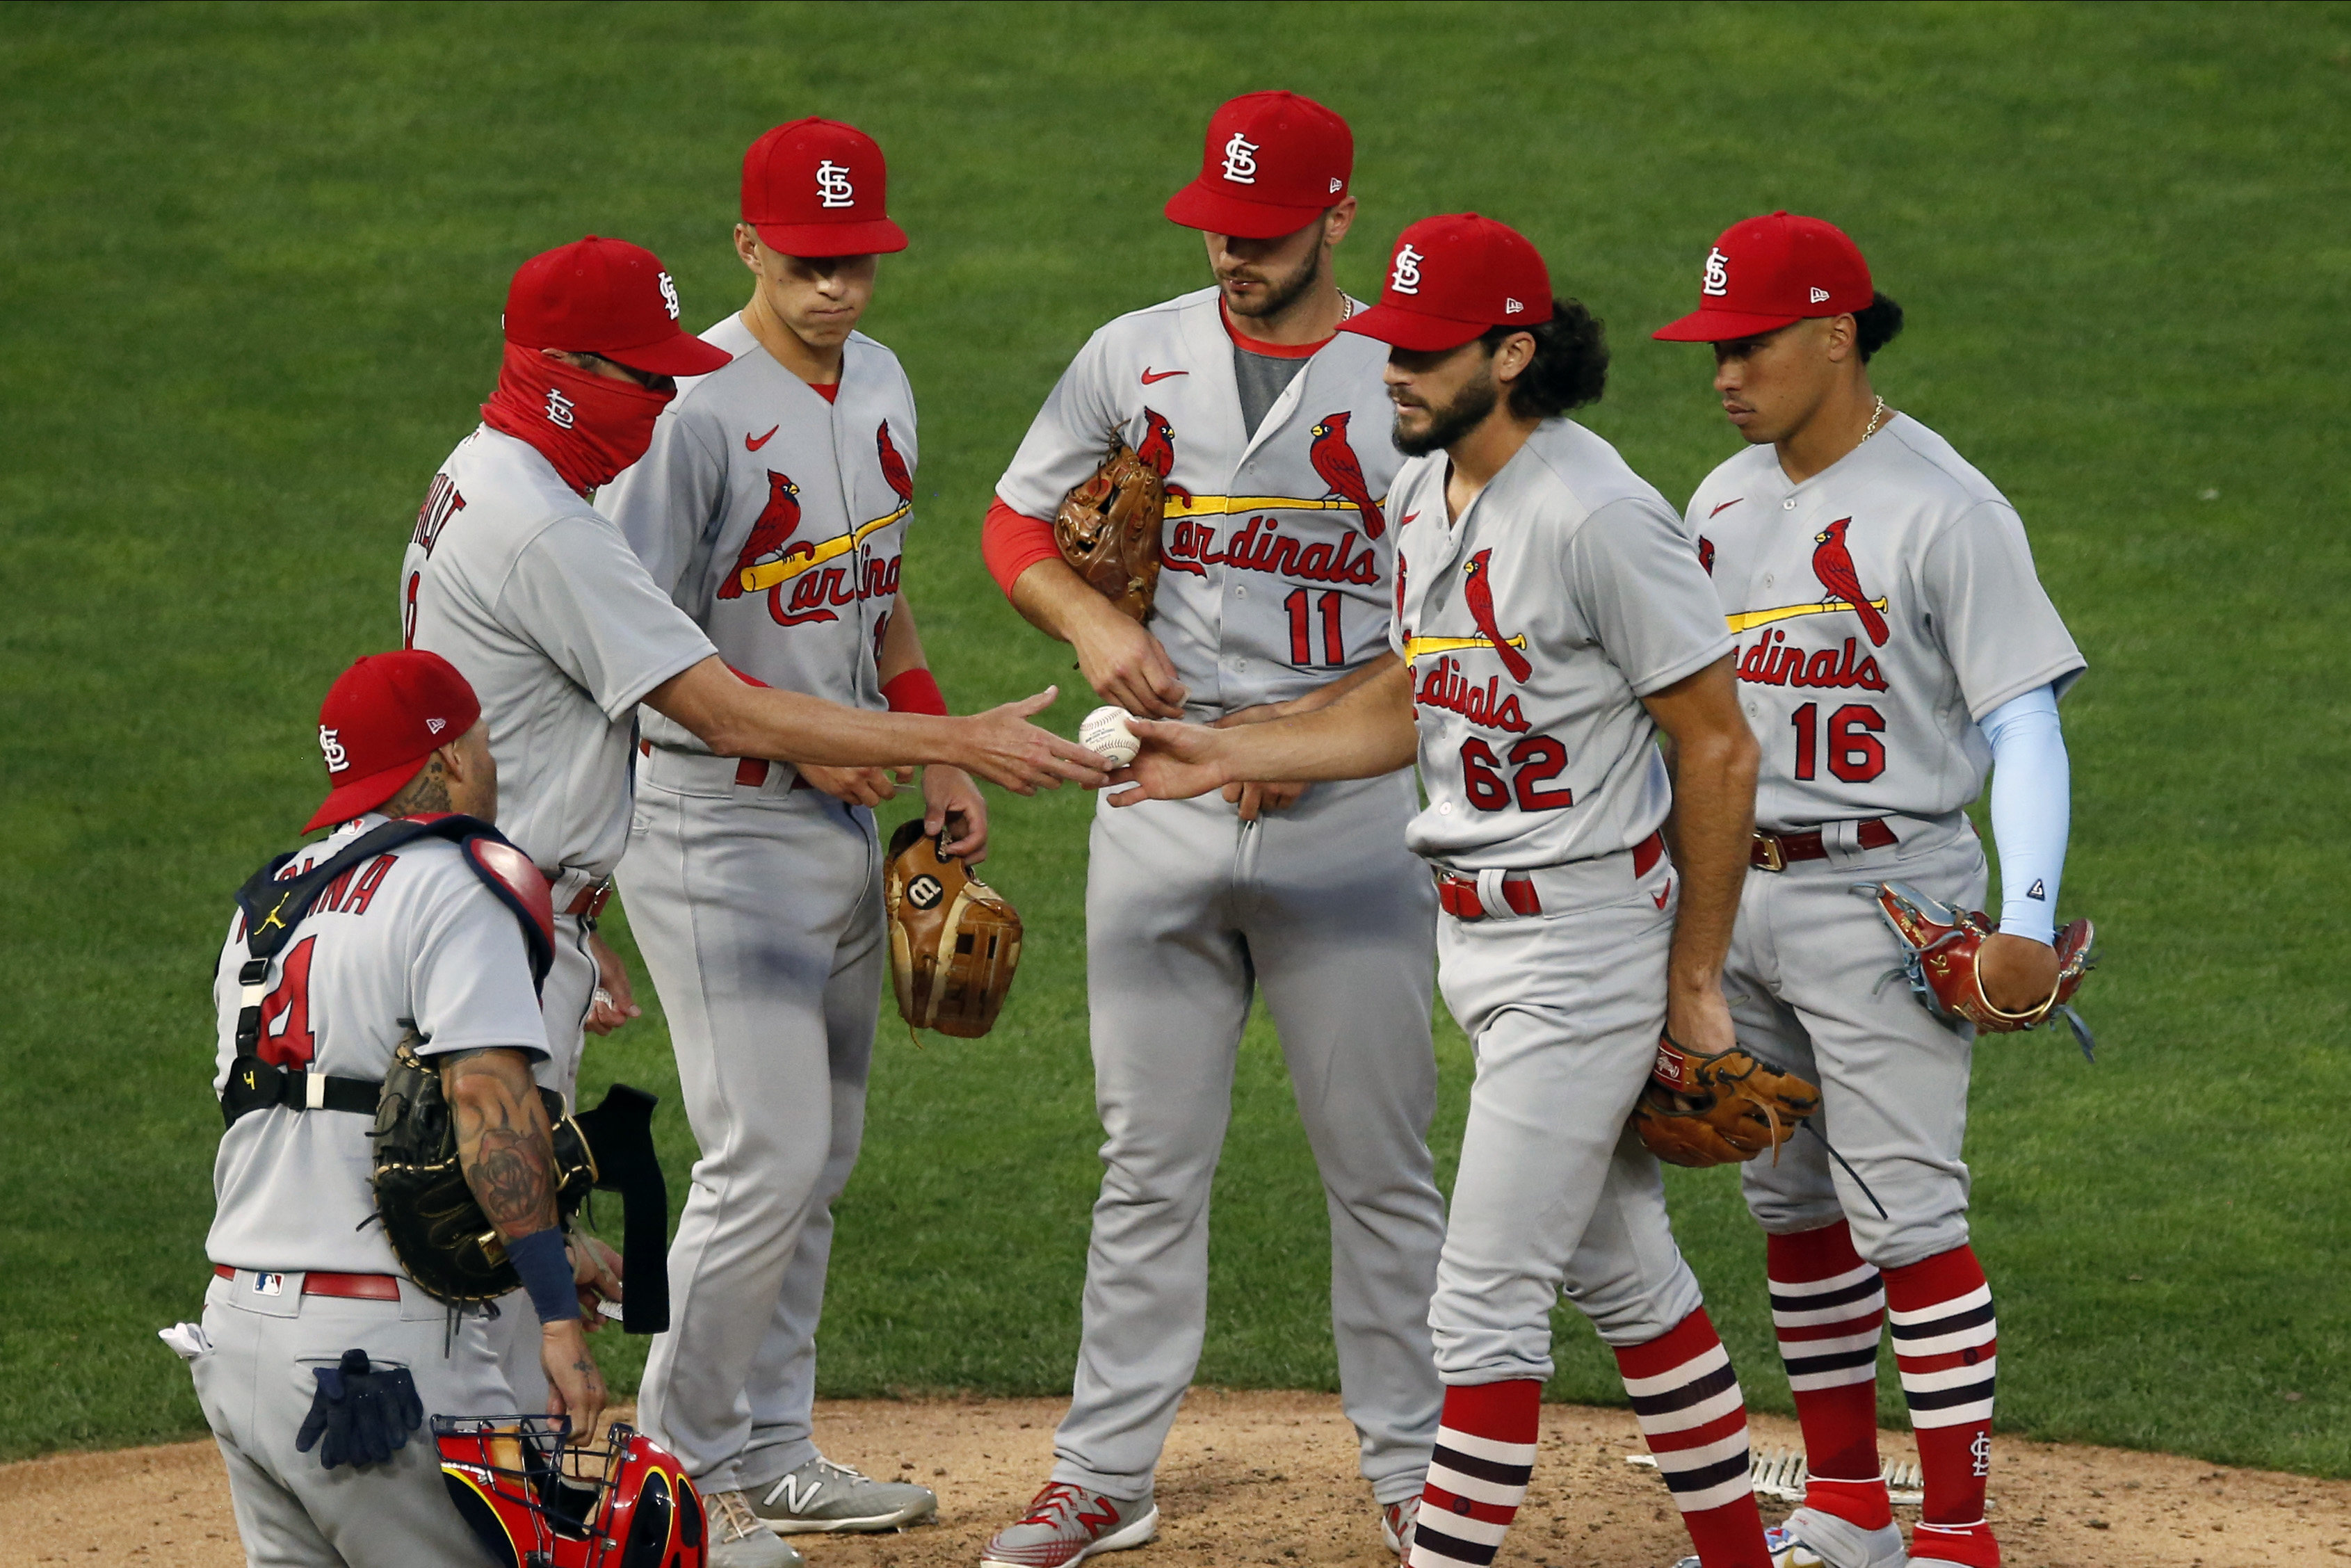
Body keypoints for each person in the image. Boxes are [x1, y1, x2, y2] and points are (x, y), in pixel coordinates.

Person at [398, 232, 1109, 1553]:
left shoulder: (491, 475)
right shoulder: (547, 523)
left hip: (537, 899)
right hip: (602, 873)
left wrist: (579, 914)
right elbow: (710, 703)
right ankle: (664, 1483)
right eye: (639, 379)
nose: (666, 401)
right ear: (559, 374)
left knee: (799, 1158)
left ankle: (754, 1451)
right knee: (624, 1210)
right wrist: (958, 743)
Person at [1115, 214, 1783, 1568]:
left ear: (1512, 352)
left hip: (1583, 950)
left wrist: (1694, 983)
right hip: (1479, 947)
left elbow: (1716, 741)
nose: (1390, 376)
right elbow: (1418, 694)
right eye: (1388, 349)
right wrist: (1228, 753)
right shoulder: (1425, 496)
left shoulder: (1596, 519)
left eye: (1421, 356)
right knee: (1619, 1270)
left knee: (1476, 1308)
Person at [974, 90, 1450, 1568]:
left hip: (1353, 824)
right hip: (1157, 811)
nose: (1232, 253)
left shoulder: (1403, 383)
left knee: (1375, 1165)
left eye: (1260, 232)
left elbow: (1454, 626)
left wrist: (1297, 744)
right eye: (1216, 229)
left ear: (1335, 218)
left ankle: (1419, 1472)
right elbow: (1012, 526)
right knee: (1146, 1164)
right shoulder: (1135, 353)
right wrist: (1086, 614)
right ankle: (1101, 1475)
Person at [1651, 211, 2086, 1568]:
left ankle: (1955, 1535)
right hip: (1736, 893)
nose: (1723, 372)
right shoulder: (1715, 503)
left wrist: (2020, 922)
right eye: (1713, 348)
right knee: (1790, 1212)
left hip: (1886, 895)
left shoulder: (1945, 509)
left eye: (1751, 343)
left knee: (1908, 1217)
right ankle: (1843, 1510)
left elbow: (2023, 724)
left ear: (1835, 335)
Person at [596, 118, 955, 1565]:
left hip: (843, 813)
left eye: (858, 262)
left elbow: (876, 592)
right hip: (709, 819)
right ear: (745, 246)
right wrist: (836, 745)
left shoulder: (880, 380)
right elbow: (641, 651)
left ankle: (769, 1447)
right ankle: (660, 1485)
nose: (838, 291)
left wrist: (928, 742)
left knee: (825, 1151)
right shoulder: (688, 410)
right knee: (766, 1150)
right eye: (809, 266)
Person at [184, 649, 611, 1567]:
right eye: (482, 742)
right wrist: (557, 1321)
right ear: (450, 756)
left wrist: (548, 1243)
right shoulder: (459, 883)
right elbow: (486, 1102)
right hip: (377, 1362)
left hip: (235, 1334)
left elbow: (313, 1122)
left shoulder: (268, 906)